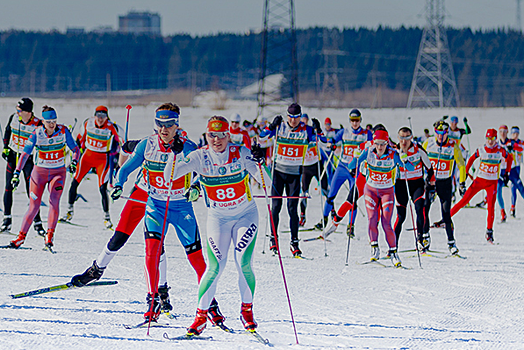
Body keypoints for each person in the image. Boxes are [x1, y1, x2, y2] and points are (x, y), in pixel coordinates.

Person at [108, 103, 225, 324]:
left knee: (197, 260)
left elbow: (204, 171)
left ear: (176, 124)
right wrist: (118, 183)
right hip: (156, 206)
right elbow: (126, 168)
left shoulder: (188, 147)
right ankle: (152, 301)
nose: (164, 129)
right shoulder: (147, 145)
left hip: (181, 208)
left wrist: (196, 187)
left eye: (169, 124)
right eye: (160, 124)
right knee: (151, 252)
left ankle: (210, 304)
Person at [165, 115, 270, 336]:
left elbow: (267, 183)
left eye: (221, 135)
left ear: (228, 135)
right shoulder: (199, 157)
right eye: (212, 135)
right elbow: (169, 176)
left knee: (243, 262)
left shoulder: (240, 153)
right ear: (207, 134)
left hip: (245, 215)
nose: (217, 140)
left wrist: (260, 162)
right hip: (218, 218)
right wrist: (173, 154)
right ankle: (200, 318)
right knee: (215, 267)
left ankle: (246, 311)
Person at [8, 106, 80, 249]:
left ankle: (49, 236)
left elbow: (75, 149)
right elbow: (25, 154)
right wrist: (16, 172)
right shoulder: (36, 133)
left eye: (54, 121)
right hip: (39, 174)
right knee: (34, 206)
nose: (52, 125)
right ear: (43, 122)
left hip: (58, 173)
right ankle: (20, 237)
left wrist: (74, 162)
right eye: (48, 122)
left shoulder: (63, 131)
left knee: (54, 202)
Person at [259, 103, 321, 256]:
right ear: (287, 116)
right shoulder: (280, 127)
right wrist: (271, 126)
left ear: (300, 117)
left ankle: (294, 242)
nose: (293, 120)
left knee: (292, 209)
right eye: (290, 117)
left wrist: (318, 131)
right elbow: (261, 137)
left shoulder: (306, 130)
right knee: (276, 207)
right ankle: (273, 238)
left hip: (294, 174)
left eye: (296, 117)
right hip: (278, 173)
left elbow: (324, 142)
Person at [352, 129, 413, 266]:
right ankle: (374, 248)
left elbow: (410, 167)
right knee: (372, 219)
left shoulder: (393, 154)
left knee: (386, 223)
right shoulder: (368, 152)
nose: (379, 147)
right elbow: (351, 166)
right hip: (371, 191)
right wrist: (355, 157)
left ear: (387, 143)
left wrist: (405, 159)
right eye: (377, 144)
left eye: (383, 144)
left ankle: (393, 252)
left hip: (387, 192)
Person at [63, 106, 121, 228]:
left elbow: (120, 140)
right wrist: (75, 157)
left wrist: (118, 155)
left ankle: (106, 217)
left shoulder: (111, 126)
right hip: (87, 157)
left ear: (107, 117)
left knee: (102, 188)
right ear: (94, 116)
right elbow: (79, 140)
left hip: (102, 160)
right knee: (74, 183)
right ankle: (69, 211)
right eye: (98, 116)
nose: (100, 119)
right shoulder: (88, 123)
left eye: (103, 117)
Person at [450, 128, 512, 243]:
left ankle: (489, 232)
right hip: (479, 181)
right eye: (488, 139)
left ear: (495, 139)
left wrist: (507, 173)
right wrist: (466, 175)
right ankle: (446, 219)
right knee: (464, 200)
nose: (490, 141)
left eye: (492, 139)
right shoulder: (481, 149)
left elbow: (510, 158)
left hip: (492, 183)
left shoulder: (500, 150)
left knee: (491, 208)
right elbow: (470, 161)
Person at [315, 109, 372, 230]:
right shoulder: (344, 132)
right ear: (349, 121)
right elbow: (332, 140)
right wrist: (331, 144)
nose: (355, 123)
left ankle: (350, 226)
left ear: (360, 120)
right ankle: (324, 219)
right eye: (352, 120)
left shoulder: (366, 134)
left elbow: (375, 144)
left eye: (357, 120)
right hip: (342, 167)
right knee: (331, 195)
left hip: (356, 169)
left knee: (353, 199)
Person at [1, 98, 45, 235]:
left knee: (31, 192)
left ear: (28, 112)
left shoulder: (38, 124)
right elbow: (7, 132)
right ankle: (6, 220)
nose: (17, 112)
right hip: (13, 157)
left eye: (19, 110)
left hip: (28, 160)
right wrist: (5, 148)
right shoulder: (13, 118)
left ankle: (38, 223)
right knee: (8, 187)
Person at [422, 120, 466, 255]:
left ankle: (451, 242)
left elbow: (461, 165)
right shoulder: (428, 143)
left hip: (445, 183)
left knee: (446, 213)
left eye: (444, 133)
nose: (441, 136)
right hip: (430, 182)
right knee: (425, 208)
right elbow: (419, 158)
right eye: (438, 133)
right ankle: (424, 238)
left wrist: (462, 182)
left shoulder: (453, 146)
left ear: (448, 133)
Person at [393, 127, 434, 247]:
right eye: (401, 138)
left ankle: (421, 239)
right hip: (401, 184)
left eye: (406, 138)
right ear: (398, 138)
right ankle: (393, 245)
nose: (404, 141)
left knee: (419, 210)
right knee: (401, 216)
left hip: (417, 184)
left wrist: (432, 185)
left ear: (411, 138)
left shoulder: (418, 150)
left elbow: (430, 168)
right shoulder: (395, 150)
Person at [298, 113, 328, 227]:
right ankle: (303, 216)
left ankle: (331, 211)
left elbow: (323, 140)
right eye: (302, 120)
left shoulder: (312, 130)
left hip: (317, 164)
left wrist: (319, 129)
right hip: (306, 167)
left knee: (326, 189)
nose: (304, 122)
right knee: (304, 192)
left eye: (306, 120)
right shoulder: (298, 132)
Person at [508, 126, 524, 217]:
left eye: (517, 133)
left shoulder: (520, 142)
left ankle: (512, 207)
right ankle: (512, 207)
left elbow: (520, 149)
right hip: (511, 166)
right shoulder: (509, 142)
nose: (515, 135)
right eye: (514, 133)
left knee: (516, 186)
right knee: (513, 186)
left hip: (517, 166)